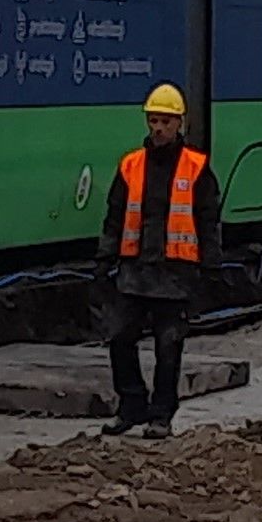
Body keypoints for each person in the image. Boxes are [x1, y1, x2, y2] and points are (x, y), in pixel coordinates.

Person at [100, 83, 220, 438]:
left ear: (179, 123)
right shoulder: (131, 166)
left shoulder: (196, 168)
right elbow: (115, 217)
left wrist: (211, 266)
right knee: (119, 338)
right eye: (153, 121)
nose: (158, 128)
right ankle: (131, 405)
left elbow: (208, 220)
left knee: (168, 347)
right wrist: (104, 260)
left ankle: (161, 415)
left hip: (175, 273)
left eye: (166, 122)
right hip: (135, 270)